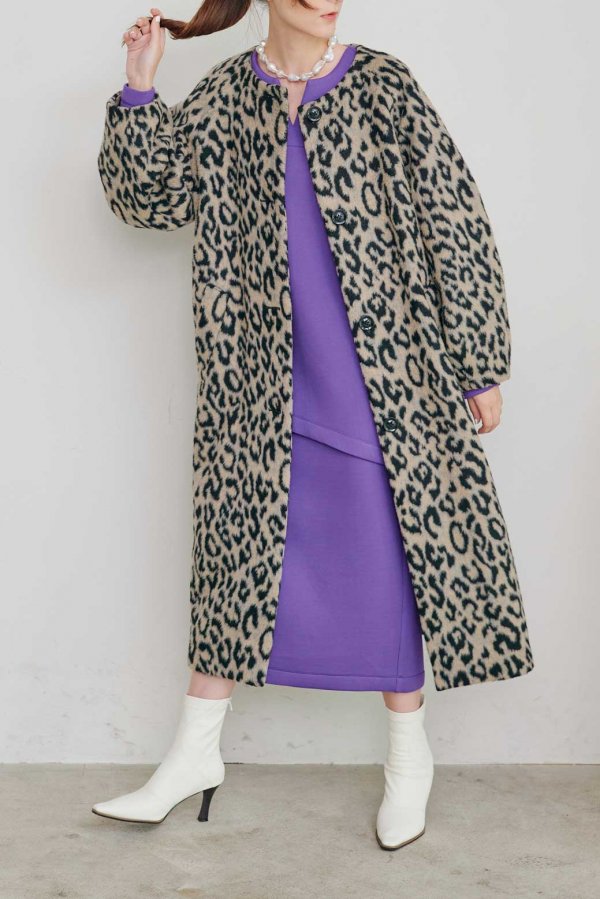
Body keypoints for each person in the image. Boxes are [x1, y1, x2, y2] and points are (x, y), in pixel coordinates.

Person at [92, 0, 534, 851]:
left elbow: (454, 218)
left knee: (392, 552)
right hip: (258, 380)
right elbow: (150, 201)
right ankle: (194, 752)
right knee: (238, 553)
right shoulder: (226, 95)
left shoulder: (384, 86)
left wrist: (479, 359)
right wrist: (140, 90)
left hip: (382, 375)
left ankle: (409, 757)